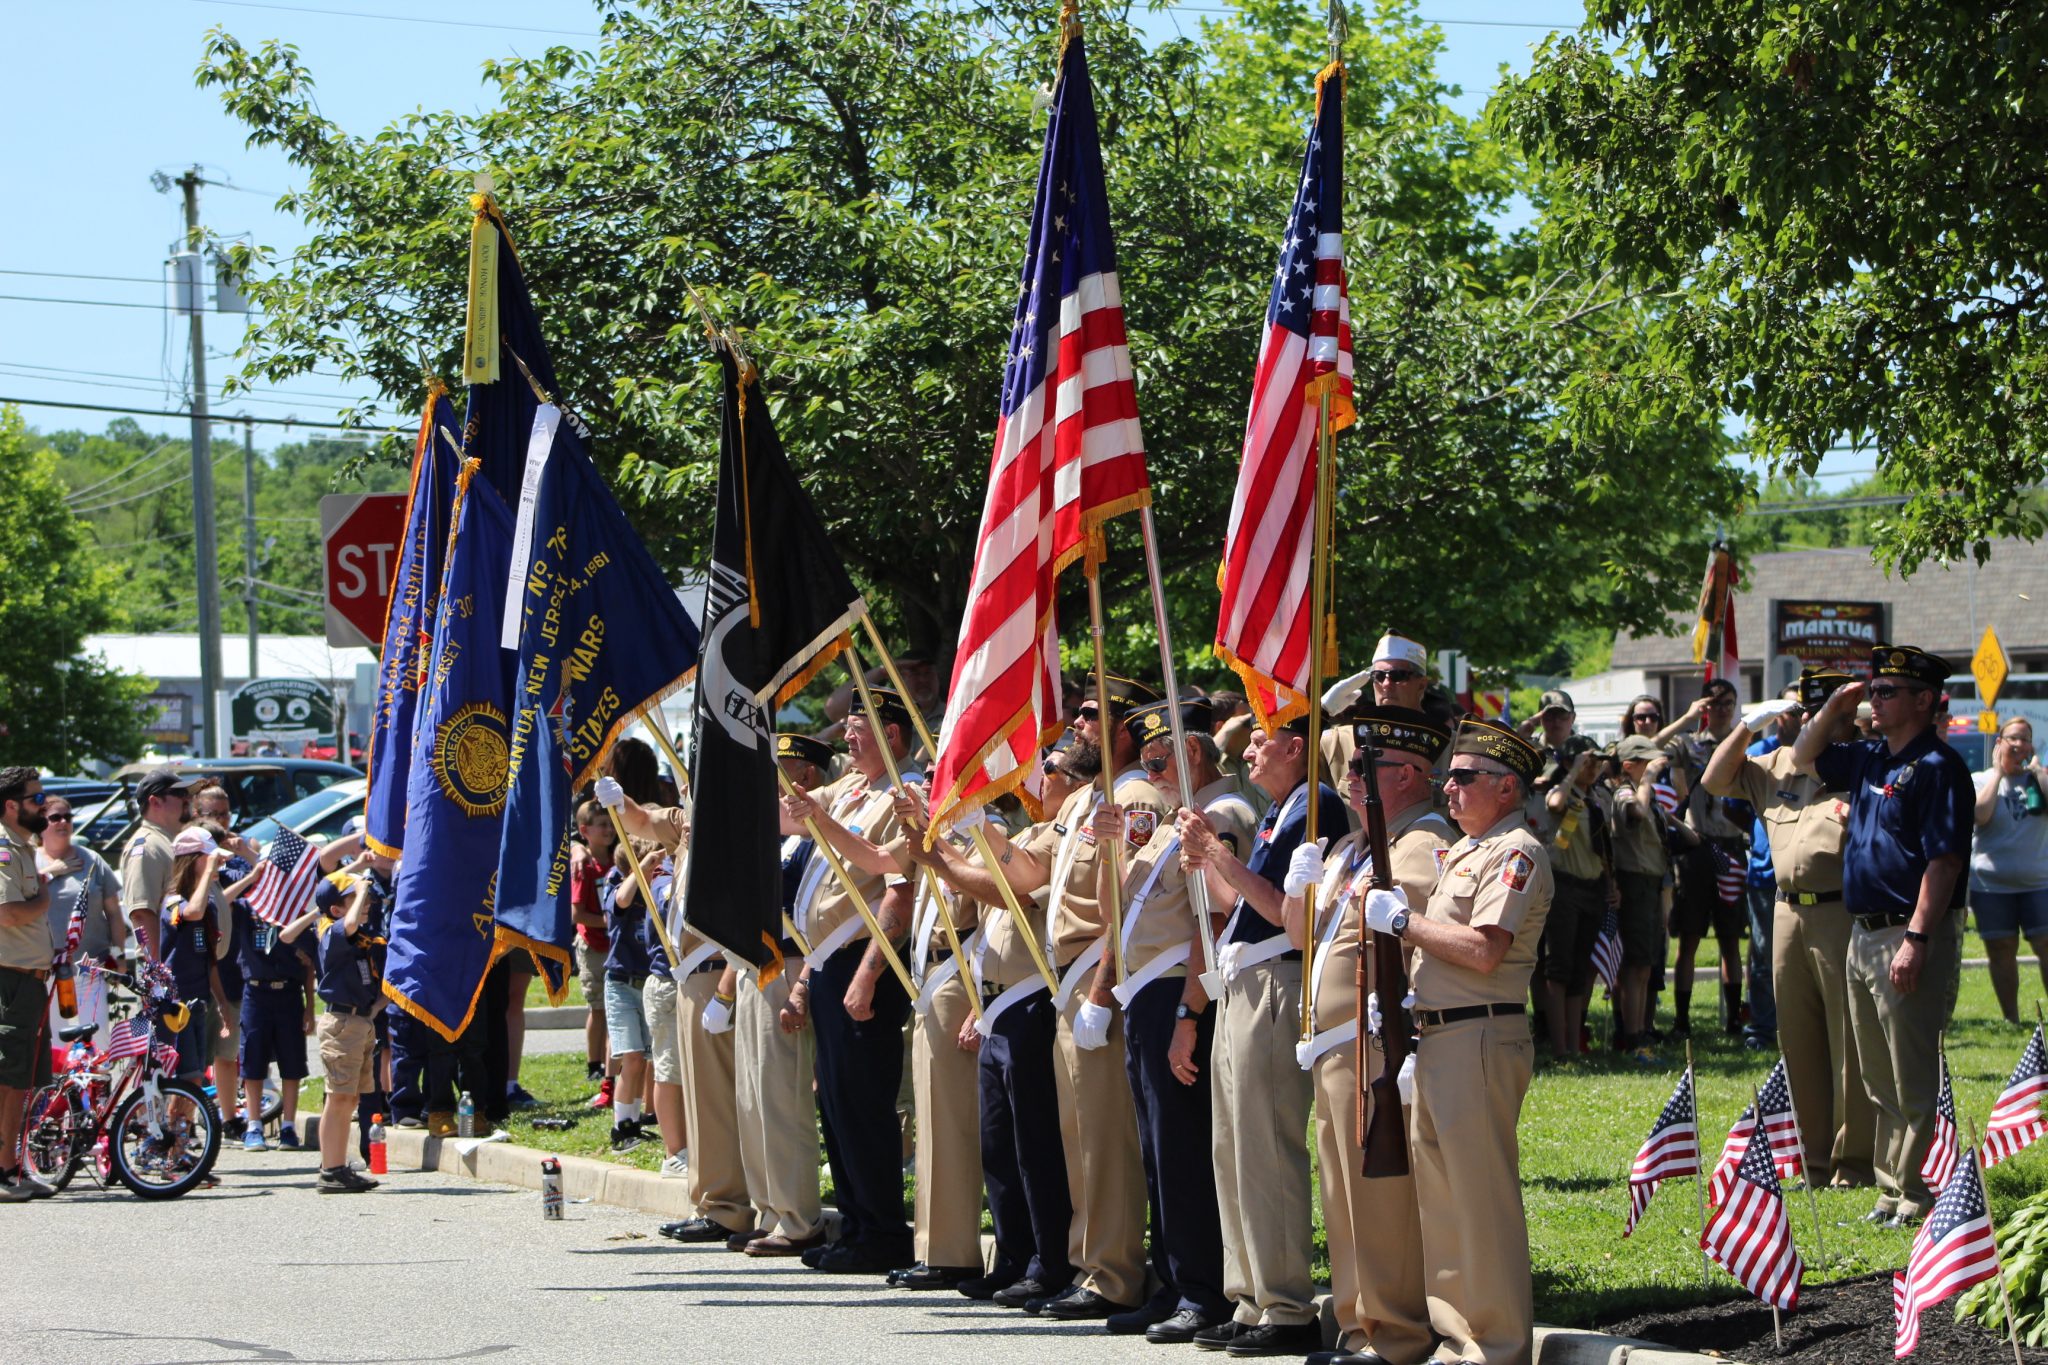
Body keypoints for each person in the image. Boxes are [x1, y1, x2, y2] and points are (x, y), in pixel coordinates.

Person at [1376, 718, 1552, 1365]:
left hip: (1482, 1031)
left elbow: (1484, 950)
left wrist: (1404, 921)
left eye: (1463, 776)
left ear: (1506, 787)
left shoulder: (1516, 851)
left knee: (1481, 1200)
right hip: (1441, 1036)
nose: (1447, 787)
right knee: (1445, 1204)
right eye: (1448, 775)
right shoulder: (1468, 850)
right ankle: (1459, 1337)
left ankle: (1499, 1344)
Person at [1283, 708, 1453, 1365]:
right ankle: (1359, 1325)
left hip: (1373, 1041)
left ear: (1407, 774)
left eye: (1363, 766)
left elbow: (1407, 946)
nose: (1348, 777)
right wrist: (1304, 887)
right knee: (1344, 1196)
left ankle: (1397, 1331)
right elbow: (1307, 939)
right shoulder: (1356, 846)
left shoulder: (1416, 842)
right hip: (1333, 1046)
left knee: (1377, 1196)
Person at [1178, 716, 1348, 1356]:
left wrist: (1221, 855)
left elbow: (1284, 910)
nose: (1247, 750)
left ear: (1296, 747)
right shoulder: (1281, 808)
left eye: (1259, 739)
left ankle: (1286, 1305)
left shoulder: (1316, 805)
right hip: (1243, 979)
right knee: (1234, 1148)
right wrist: (1204, 857)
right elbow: (1244, 900)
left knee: (1267, 1146)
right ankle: (1250, 1299)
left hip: (1277, 978)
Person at [1793, 645, 1972, 1227]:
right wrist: (1834, 706)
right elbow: (1802, 755)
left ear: (1924, 701)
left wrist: (1917, 938)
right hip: (1862, 932)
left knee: (1910, 1067)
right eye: (1874, 688)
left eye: (1888, 690)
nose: (1875, 696)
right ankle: (1891, 1188)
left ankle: (1915, 1191)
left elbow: (1942, 864)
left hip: (1906, 930)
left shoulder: (1940, 769)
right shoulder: (1870, 758)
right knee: (1874, 1072)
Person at [1091, 700, 1252, 1340]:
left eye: (1156, 756)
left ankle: (1202, 1290)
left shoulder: (1221, 816)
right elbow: (1118, 905)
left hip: (1174, 991)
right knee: (1157, 1147)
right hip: (1142, 990)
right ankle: (1172, 1279)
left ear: (1189, 754)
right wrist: (1107, 847)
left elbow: (1209, 923)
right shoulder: (1172, 820)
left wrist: (1190, 1011)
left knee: (1181, 1146)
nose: (1147, 766)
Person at [907, 743, 1088, 1306]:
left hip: (1033, 997)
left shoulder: (1052, 837)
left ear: (1072, 782)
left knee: (1035, 1142)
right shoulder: (1029, 834)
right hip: (997, 1003)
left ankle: (1047, 1259)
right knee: (999, 1144)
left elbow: (1006, 892)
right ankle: (1012, 1255)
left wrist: (943, 856)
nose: (1036, 779)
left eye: (1048, 770)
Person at [1700, 668, 1873, 1188]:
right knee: (1797, 1040)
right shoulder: (1774, 767)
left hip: (1840, 912)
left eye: (1822, 713)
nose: (1810, 721)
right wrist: (1748, 727)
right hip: (1784, 913)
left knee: (1849, 1042)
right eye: (1804, 712)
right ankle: (1814, 1161)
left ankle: (1854, 1162)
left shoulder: (1859, 765)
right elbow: (1714, 780)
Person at [775, 688, 921, 1274]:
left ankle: (882, 1230)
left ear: (890, 734)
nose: (847, 740)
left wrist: (865, 974)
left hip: (867, 962)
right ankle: (857, 1224)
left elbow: (893, 878)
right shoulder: (854, 788)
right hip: (828, 962)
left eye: (858, 729)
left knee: (864, 1106)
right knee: (836, 1106)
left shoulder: (903, 793)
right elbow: (791, 813)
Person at [728, 734, 832, 1259]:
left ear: (806, 775)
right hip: (757, 965)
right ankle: (768, 1207)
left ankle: (798, 1216)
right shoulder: (773, 833)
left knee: (782, 1096)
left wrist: (802, 984)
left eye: (781, 770)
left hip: (790, 964)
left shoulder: (811, 834)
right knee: (752, 1096)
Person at [281, 866, 382, 1194]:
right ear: (338, 909)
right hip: (342, 1024)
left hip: (359, 1021)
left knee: (349, 1098)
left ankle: (336, 1165)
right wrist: (358, 888)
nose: (365, 901)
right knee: (338, 1099)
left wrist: (374, 1010)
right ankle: (330, 1169)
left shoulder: (349, 934)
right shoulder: (336, 932)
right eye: (357, 898)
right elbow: (347, 922)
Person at [1665, 678, 1751, 1035]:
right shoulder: (1689, 745)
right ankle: (1682, 1020)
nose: (1721, 709)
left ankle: (1733, 1018)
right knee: (1690, 936)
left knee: (1731, 938)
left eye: (1727, 703)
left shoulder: (1747, 744)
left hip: (1732, 845)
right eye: (1713, 703)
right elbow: (1653, 750)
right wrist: (1687, 718)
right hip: (1698, 846)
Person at [0, 767, 58, 1201]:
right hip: (11, 981)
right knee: (8, 1078)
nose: (44, 806)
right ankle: (2, 1173)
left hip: (29, 981)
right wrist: (44, 897)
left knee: (25, 1080)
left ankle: (14, 1167)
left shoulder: (22, 847)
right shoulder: (3, 849)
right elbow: (8, 914)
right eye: (37, 799)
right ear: (11, 805)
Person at [1535, 745, 1612, 1059]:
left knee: (1580, 968)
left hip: (1593, 886)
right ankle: (1559, 1046)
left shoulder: (1596, 799)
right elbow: (1553, 803)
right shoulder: (1562, 793)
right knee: (1559, 967)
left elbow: (1604, 846)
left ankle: (1574, 1043)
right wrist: (1571, 771)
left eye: (1596, 763)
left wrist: (1612, 883)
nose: (1592, 768)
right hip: (1565, 886)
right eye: (1587, 762)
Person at [1971, 718, 2048, 1024]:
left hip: (2038, 882)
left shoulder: (2039, 780)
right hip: (1991, 886)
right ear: (1999, 741)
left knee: (2045, 944)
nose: (2019, 745)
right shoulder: (1981, 779)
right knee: (2001, 949)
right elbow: (1979, 815)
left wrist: (2039, 772)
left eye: (2025, 739)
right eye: (2013, 738)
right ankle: (2011, 1019)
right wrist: (1999, 774)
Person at [233, 870, 316, 1152]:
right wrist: (250, 878)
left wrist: (310, 1009)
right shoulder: (247, 907)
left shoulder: (294, 911)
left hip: (289, 993)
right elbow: (221, 899)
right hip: (256, 991)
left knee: (291, 1062)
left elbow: (308, 965)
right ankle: (254, 1125)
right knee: (253, 1060)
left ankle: (289, 1127)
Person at [1609, 737, 1680, 1060]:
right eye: (1645, 764)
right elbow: (1634, 813)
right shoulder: (1626, 792)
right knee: (1634, 965)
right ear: (1628, 766)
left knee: (1645, 966)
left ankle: (1640, 1032)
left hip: (1650, 882)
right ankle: (1632, 1035)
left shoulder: (1644, 795)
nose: (1652, 768)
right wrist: (1648, 781)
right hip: (1634, 880)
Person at [34, 793, 123, 1045]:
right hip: (45, 970)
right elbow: (18, 898)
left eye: (68, 817)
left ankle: (97, 1087)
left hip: (89, 967)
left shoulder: (92, 860)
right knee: (55, 1047)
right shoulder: (30, 862)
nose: (63, 822)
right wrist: (52, 872)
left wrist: (118, 955)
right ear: (41, 823)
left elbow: (114, 913)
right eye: (55, 817)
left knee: (96, 1042)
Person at [121, 767, 198, 961]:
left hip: (188, 964)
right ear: (155, 802)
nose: (188, 799)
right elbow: (141, 914)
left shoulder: (173, 841)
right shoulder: (147, 847)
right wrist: (157, 973)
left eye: (188, 794)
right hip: (168, 970)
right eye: (180, 794)